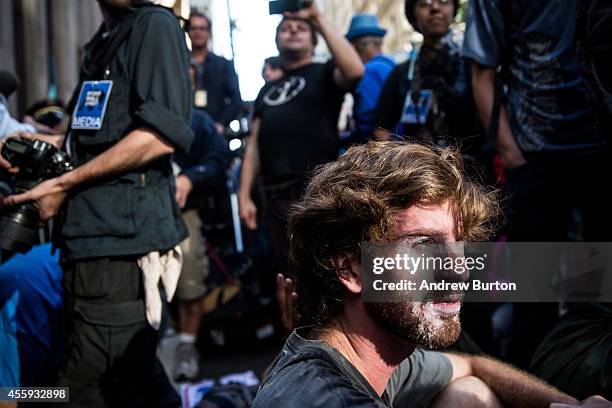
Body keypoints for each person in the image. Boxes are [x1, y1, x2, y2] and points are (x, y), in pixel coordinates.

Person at [252, 141, 607, 408]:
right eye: (423, 244)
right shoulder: (324, 398)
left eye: (459, 243)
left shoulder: (376, 351)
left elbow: (471, 364)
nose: (461, 270)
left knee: (470, 393)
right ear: (351, 268)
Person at [2, 0, 193, 406]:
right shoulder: (102, 43)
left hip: (120, 251)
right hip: (87, 249)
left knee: (82, 389)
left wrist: (62, 185)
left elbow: (161, 134)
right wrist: (33, 146)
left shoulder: (154, 25)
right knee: (132, 380)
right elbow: (85, 140)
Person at [238, 3, 364, 282]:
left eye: (300, 28)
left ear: (313, 39)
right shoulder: (266, 90)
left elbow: (355, 71)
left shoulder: (324, 73)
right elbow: (254, 145)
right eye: (285, 28)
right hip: (276, 198)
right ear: (275, 40)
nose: (292, 30)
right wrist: (244, 195)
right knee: (287, 273)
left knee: (327, 271)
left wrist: (317, 18)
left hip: (318, 190)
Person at [374, 0, 480, 156]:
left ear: (454, 9)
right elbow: (380, 130)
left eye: (444, 1)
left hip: (475, 171)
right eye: (425, 3)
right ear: (413, 16)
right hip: (423, 173)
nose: (435, 8)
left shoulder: (474, 67)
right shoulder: (402, 74)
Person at [173, 105, 229, 382]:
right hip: (140, 214)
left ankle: (185, 347)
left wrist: (190, 177)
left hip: (182, 215)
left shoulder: (198, 121)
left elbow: (218, 162)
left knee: (189, 283)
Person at [343, 13, 395, 145]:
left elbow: (368, 119)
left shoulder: (368, 71)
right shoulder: (392, 65)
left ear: (353, 47)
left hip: (382, 152)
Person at [188, 11, 243, 134]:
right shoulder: (181, 64)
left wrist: (221, 124)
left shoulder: (223, 65)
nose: (198, 32)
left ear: (209, 32)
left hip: (215, 132)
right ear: (188, 31)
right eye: (193, 28)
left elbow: (236, 100)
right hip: (185, 131)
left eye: (202, 28)